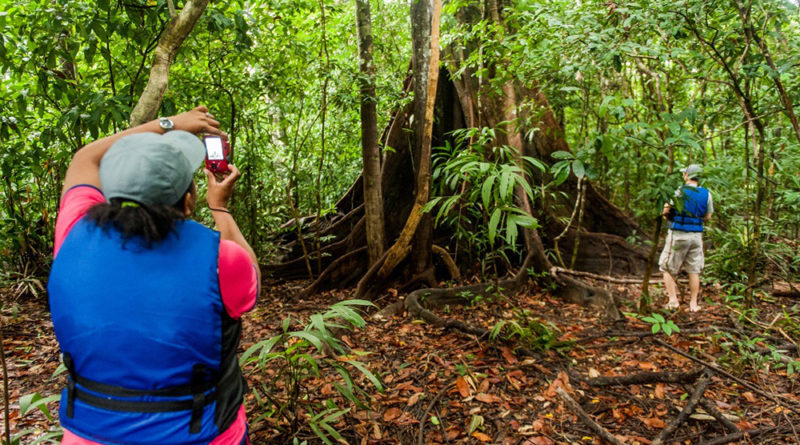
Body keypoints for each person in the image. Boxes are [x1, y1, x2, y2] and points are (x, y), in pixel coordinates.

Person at [47, 106, 259, 445]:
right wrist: (220, 208)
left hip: (91, 434)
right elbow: (251, 276)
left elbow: (84, 159)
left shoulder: (74, 233)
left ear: (111, 192)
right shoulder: (221, 259)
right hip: (201, 435)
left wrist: (170, 124)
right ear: (189, 201)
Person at [659, 164, 713, 312]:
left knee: (667, 268)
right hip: (696, 236)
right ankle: (693, 304)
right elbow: (708, 216)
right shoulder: (707, 194)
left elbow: (665, 211)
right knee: (694, 270)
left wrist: (669, 217)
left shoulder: (678, 191)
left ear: (686, 176)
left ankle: (673, 301)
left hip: (678, 234)